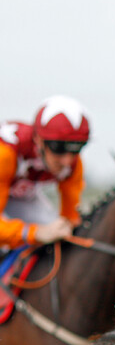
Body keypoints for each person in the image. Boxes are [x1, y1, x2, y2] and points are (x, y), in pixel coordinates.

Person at [0, 95, 90, 249]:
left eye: (77, 148)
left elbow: (69, 219)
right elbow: (35, 233)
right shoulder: (5, 154)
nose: (67, 160)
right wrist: (34, 233)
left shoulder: (74, 164)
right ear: (38, 140)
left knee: (56, 231)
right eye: (58, 147)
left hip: (18, 196)